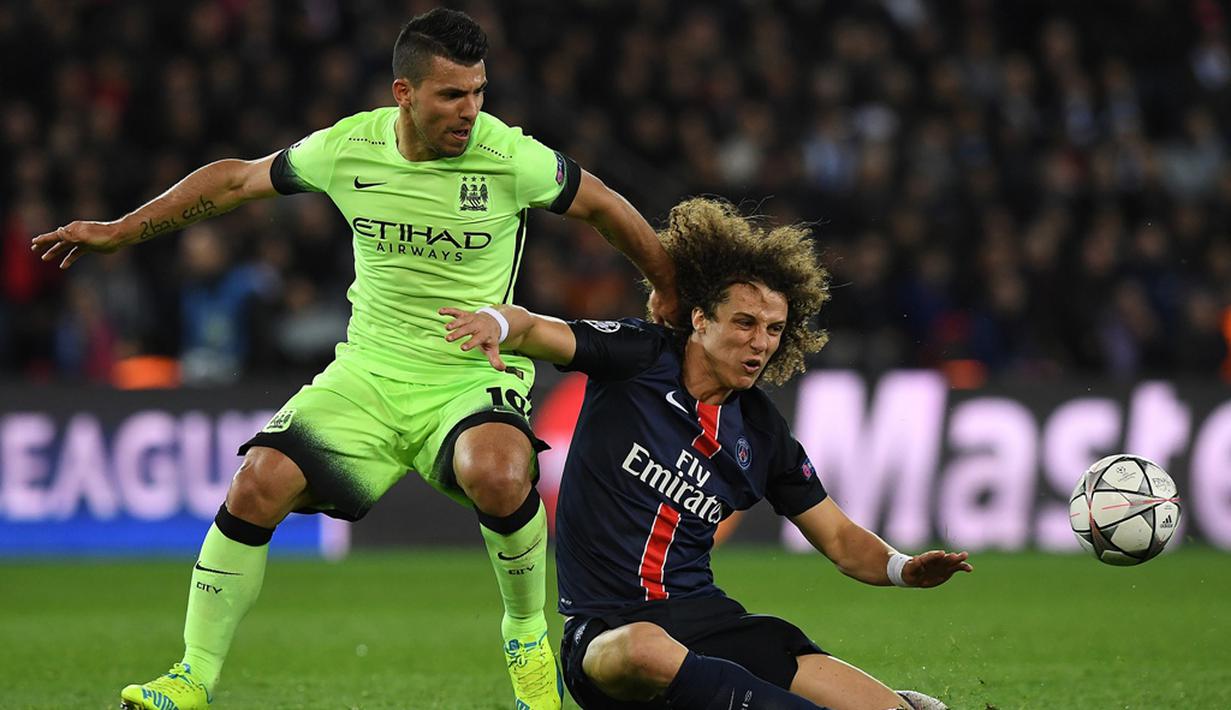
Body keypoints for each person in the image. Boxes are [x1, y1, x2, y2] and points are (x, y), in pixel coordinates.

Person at [31, 9, 677, 710]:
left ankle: (524, 637)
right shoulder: (348, 147)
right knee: (257, 482)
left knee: (497, 469)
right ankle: (191, 677)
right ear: (404, 94)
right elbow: (233, 181)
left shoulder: (510, 157)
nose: (470, 111)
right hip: (366, 374)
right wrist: (122, 232)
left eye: (479, 92)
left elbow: (606, 207)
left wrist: (667, 288)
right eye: (451, 96)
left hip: (466, 374)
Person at [440, 198, 972, 710]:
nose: (760, 343)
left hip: (710, 624)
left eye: (773, 330)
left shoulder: (762, 432)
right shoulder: (639, 357)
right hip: (604, 636)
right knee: (644, 648)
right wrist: (499, 323)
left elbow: (837, 537)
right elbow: (538, 329)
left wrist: (903, 568)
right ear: (700, 318)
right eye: (744, 323)